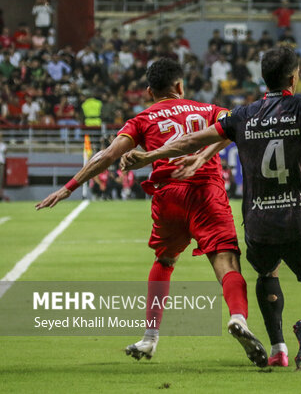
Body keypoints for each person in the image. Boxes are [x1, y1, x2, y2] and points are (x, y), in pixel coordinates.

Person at [120, 46, 301, 372]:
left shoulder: (242, 115)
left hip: (259, 223)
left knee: (267, 271)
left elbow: (192, 140)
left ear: (264, 77)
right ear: (294, 76)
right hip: (300, 219)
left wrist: (149, 157)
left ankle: (278, 348)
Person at [35, 58, 268, 368]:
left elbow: (107, 156)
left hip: (168, 197)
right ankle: (238, 318)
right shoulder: (208, 109)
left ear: (149, 91)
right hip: (206, 193)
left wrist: (68, 187)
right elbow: (233, 129)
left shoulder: (142, 118)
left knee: (165, 261)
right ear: (180, 86)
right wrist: (201, 158)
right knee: (225, 260)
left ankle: (149, 338)